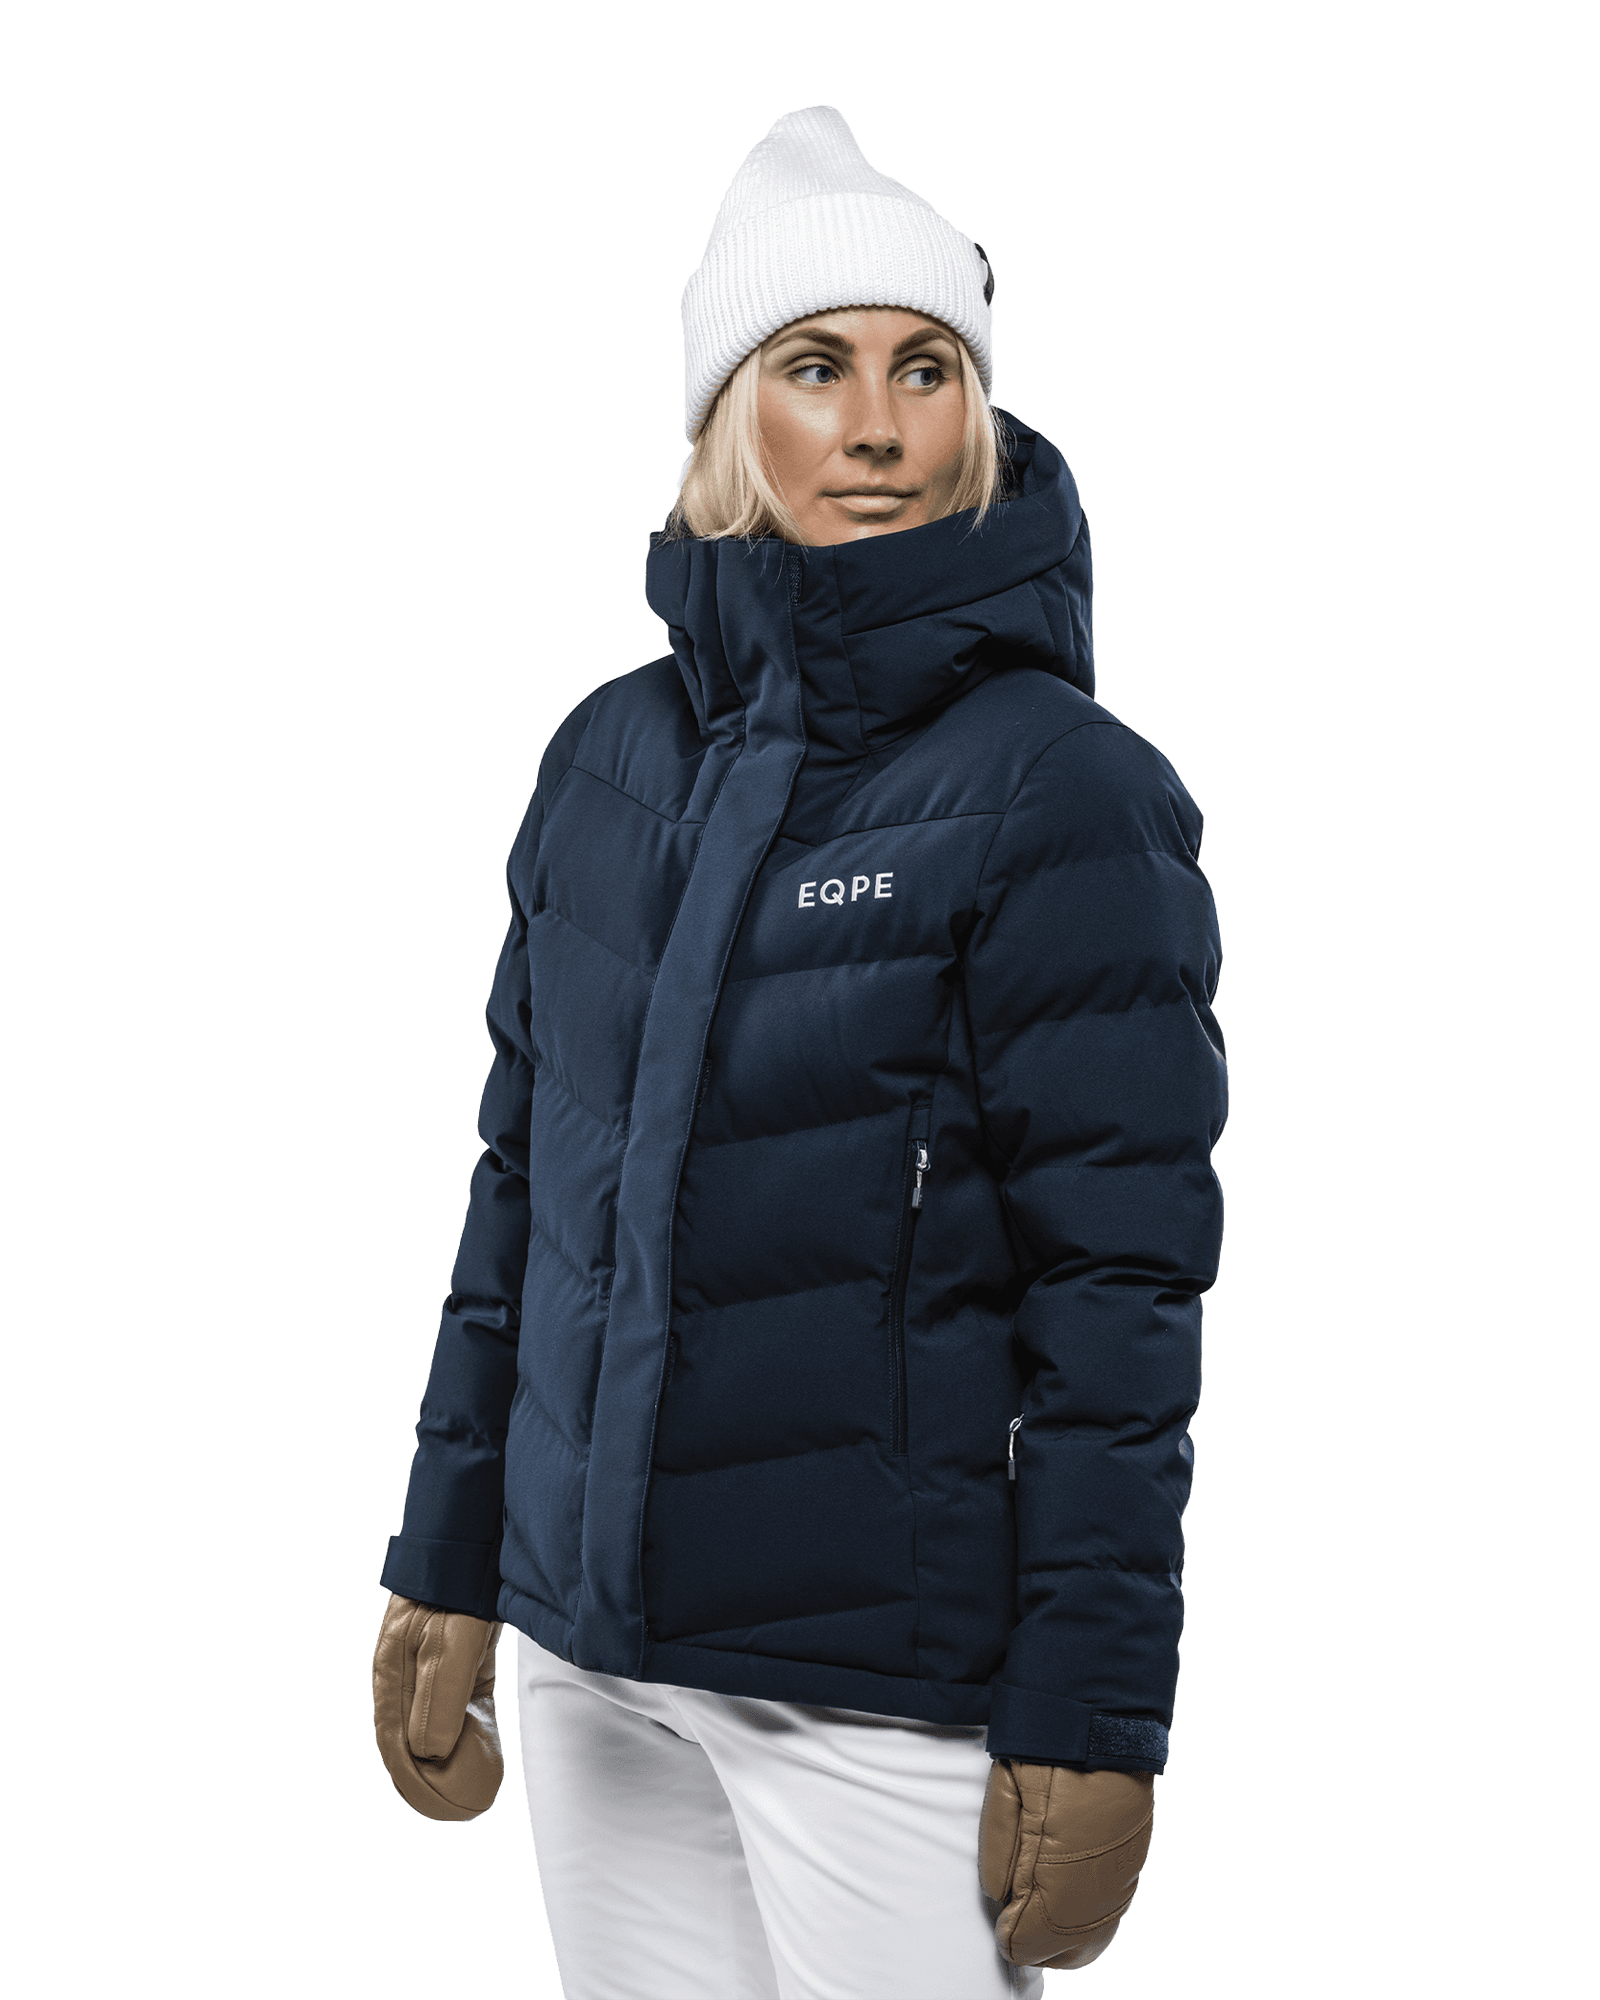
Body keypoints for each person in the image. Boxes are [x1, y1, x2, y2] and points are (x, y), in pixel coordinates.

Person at [372, 104, 1226, 1998]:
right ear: (723, 415)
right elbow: (518, 1193)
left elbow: (1119, 1293)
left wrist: (1093, 1708)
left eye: (927, 371)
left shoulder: (1063, 795)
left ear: (977, 411)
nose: (877, 425)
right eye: (816, 367)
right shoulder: (603, 763)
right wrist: (446, 1557)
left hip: (881, 1693)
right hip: (591, 1663)